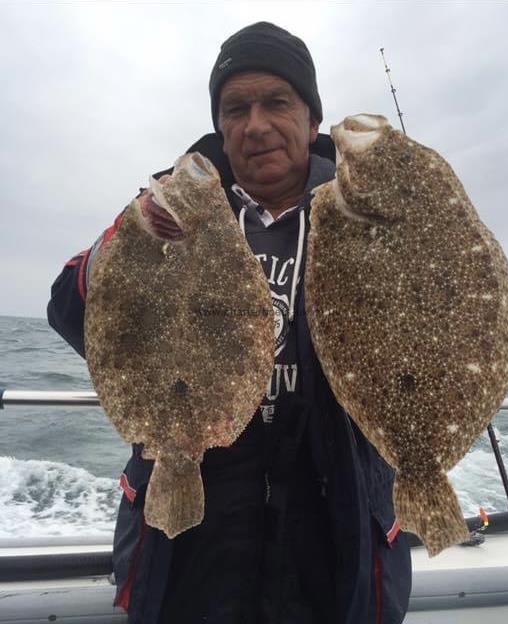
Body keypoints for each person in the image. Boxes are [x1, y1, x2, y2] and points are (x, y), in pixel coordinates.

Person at [47, 22, 412, 624]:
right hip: (189, 531)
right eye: (236, 108)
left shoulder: (366, 219)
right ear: (220, 124)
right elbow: (69, 308)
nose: (256, 124)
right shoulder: (166, 213)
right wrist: (127, 233)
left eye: (277, 103)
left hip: (332, 518)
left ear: (312, 120)